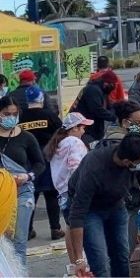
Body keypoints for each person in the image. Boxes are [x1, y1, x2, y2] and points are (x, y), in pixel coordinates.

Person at [67, 133, 140, 277]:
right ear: (127, 162)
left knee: (121, 256)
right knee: (100, 261)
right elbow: (77, 215)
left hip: (116, 205)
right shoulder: (94, 168)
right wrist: (78, 259)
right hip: (90, 210)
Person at [0, 96, 45, 265]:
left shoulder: (26, 137)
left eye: (14, 113)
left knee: (19, 240)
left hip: (22, 192)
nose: (11, 117)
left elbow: (40, 163)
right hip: (2, 194)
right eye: (6, 114)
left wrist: (28, 176)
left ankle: (20, 273)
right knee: (3, 241)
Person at [45, 112, 91, 266]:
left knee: (70, 228)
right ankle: (82, 263)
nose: (84, 131)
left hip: (62, 193)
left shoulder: (59, 143)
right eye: (82, 127)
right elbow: (75, 167)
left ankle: (74, 264)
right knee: (80, 230)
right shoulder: (74, 142)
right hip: (75, 192)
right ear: (73, 128)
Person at [19, 86, 64, 241]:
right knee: (51, 195)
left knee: (30, 196)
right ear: (41, 98)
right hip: (47, 160)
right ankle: (55, 229)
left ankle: (28, 229)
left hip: (28, 163)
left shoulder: (21, 117)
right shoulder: (49, 115)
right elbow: (62, 133)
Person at [69, 70, 118, 143]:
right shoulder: (93, 90)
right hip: (84, 129)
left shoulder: (102, 91)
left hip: (91, 128)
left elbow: (109, 107)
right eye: (112, 84)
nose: (113, 87)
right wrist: (115, 118)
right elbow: (97, 110)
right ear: (106, 83)